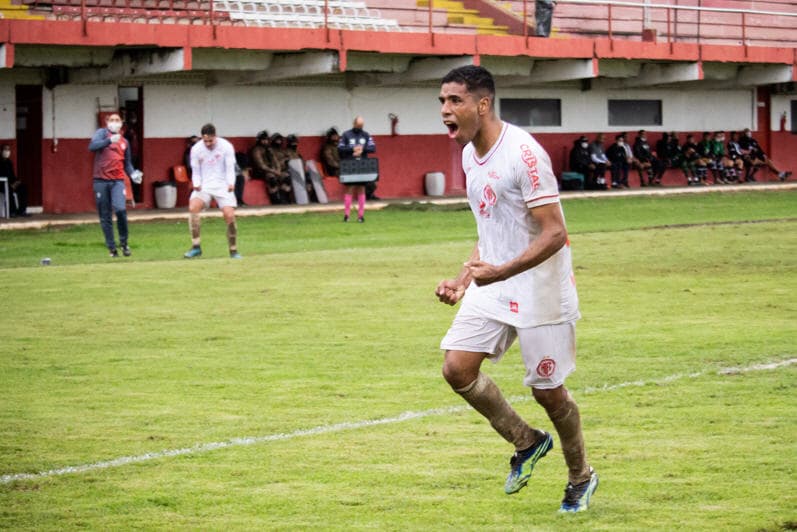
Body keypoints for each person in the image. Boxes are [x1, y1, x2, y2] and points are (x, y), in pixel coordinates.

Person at [435, 65, 598, 513]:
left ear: (482, 104)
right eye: (442, 102)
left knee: (548, 391)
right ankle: (526, 443)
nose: (445, 110)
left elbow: (554, 234)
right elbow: (492, 227)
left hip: (541, 287)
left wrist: (499, 272)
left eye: (455, 101)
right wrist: (463, 277)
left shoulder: (524, 154)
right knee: (457, 369)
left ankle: (581, 476)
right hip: (495, 279)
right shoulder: (470, 153)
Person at [183, 123, 242, 259]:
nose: (208, 143)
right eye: (205, 141)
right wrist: (196, 183)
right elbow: (195, 170)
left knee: (229, 215)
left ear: (215, 136)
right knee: (193, 207)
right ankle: (196, 246)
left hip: (222, 185)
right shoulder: (196, 149)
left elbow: (229, 167)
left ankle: (233, 250)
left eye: (210, 140)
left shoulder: (226, 146)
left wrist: (230, 183)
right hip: (205, 185)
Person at [88, 112, 141, 257]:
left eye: (117, 120)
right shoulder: (101, 134)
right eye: (112, 120)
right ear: (107, 122)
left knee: (120, 210)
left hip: (117, 180)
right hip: (101, 180)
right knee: (105, 215)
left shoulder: (124, 142)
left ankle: (124, 243)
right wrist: (109, 141)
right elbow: (92, 147)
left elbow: (127, 163)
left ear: (121, 123)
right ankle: (111, 248)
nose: (114, 122)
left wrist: (133, 174)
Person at [339, 116, 376, 221]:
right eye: (358, 125)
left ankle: (361, 216)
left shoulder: (366, 135)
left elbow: (373, 148)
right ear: (354, 124)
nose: (360, 127)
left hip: (362, 165)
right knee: (349, 188)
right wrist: (352, 149)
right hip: (350, 164)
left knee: (361, 188)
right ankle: (346, 215)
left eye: (361, 126)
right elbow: (340, 148)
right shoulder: (346, 135)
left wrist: (362, 149)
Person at [248, 130, 285, 205]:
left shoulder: (269, 149)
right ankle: (275, 201)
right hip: (259, 171)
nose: (265, 141)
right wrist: (274, 172)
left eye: (266, 139)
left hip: (272, 170)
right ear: (259, 140)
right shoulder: (256, 150)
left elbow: (275, 161)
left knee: (286, 177)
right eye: (263, 140)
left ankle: (284, 199)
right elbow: (261, 166)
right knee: (272, 179)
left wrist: (278, 170)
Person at [0, 144, 29, 217]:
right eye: (5, 149)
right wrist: (10, 185)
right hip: (2, 184)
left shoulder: (9, 162)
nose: (7, 152)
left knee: (23, 188)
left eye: (8, 150)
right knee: (9, 189)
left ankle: (22, 210)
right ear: (1, 151)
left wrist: (17, 181)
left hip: (11, 184)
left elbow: (12, 176)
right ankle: (12, 211)